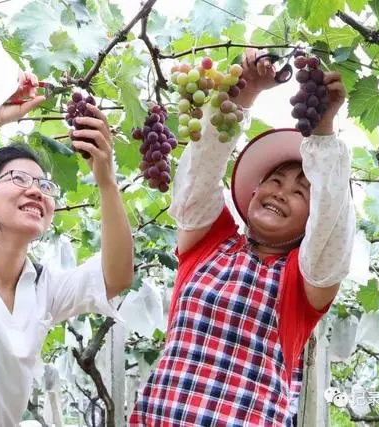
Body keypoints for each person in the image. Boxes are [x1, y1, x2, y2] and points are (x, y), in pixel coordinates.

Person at [129, 48, 356, 426]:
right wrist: (243, 94)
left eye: (301, 193)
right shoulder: (207, 245)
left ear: (312, 222)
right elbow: (199, 176)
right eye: (275, 181)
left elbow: (333, 232)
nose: (282, 192)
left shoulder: (301, 284)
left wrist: (324, 133)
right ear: (253, 192)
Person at [0, 75, 134, 426]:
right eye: (18, 180)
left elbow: (116, 276)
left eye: (43, 185)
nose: (36, 191)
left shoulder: (43, 287)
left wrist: (106, 181)